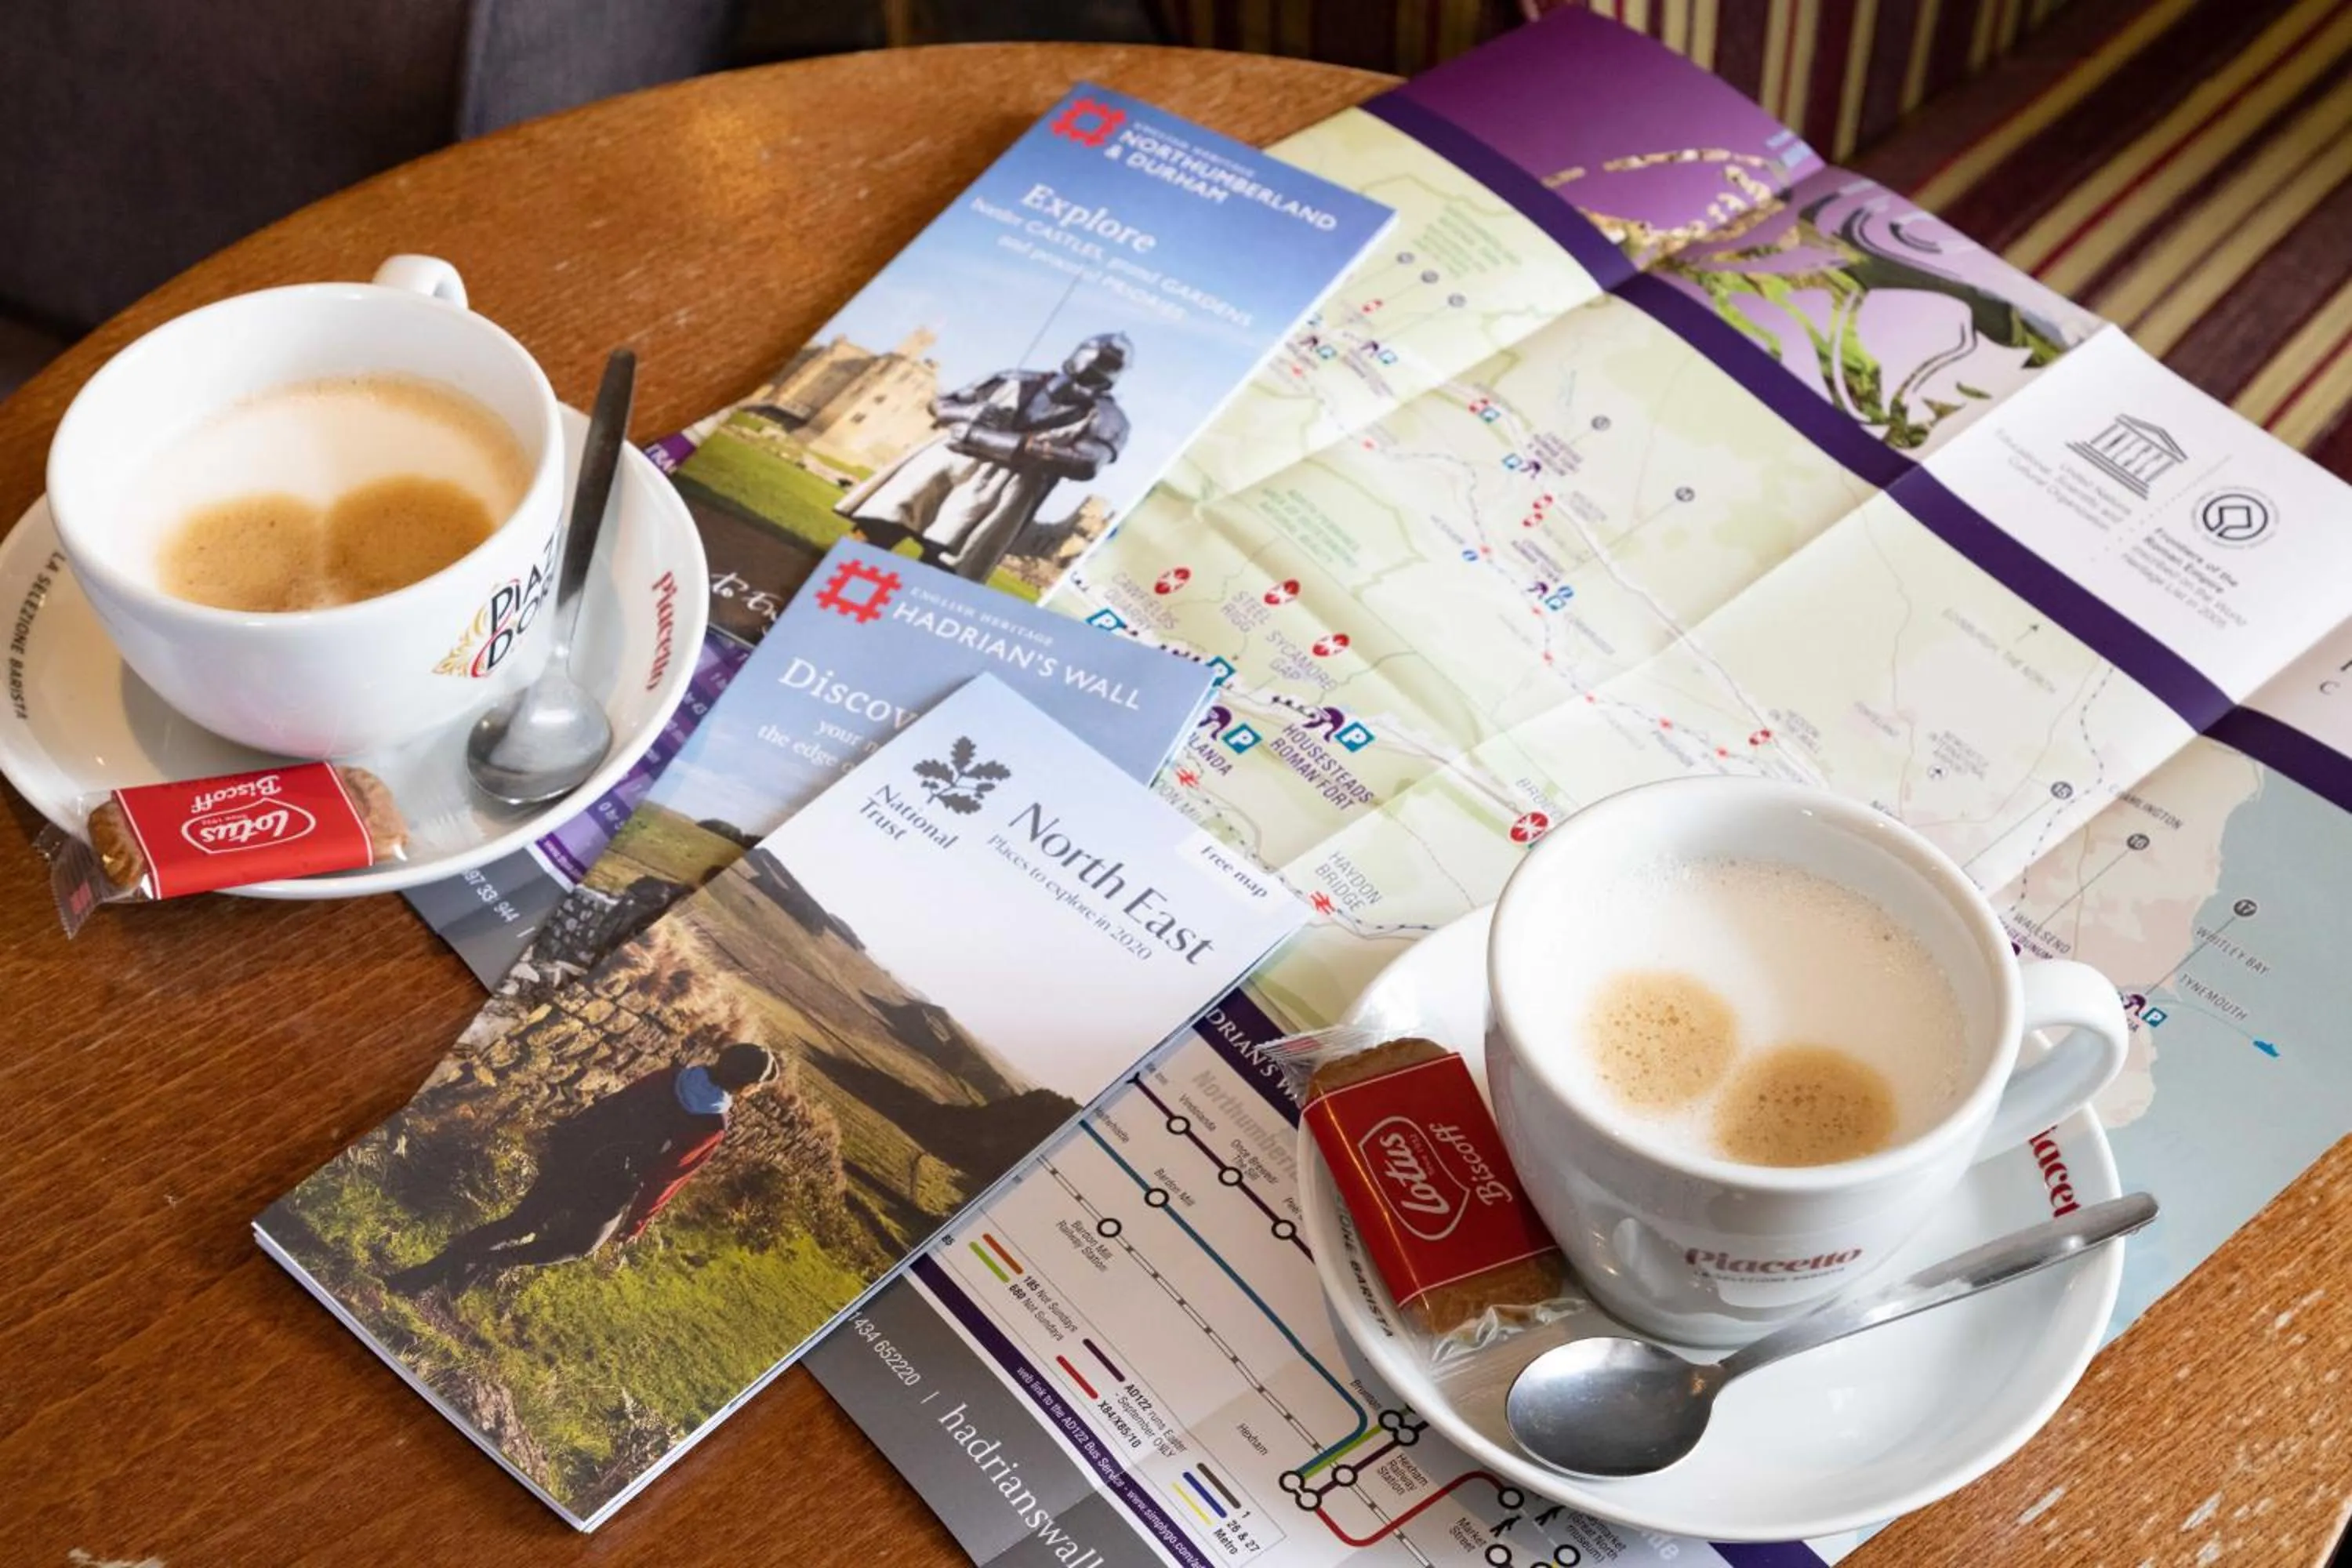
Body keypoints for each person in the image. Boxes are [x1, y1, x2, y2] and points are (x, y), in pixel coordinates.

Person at [387, 1041, 780, 1298]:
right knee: (577, 1247)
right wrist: (638, 1222)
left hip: (578, 1154)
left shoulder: (671, 1076)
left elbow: (614, 1103)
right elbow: (665, 1176)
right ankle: (480, 1263)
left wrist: (568, 1139)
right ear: (747, 1085)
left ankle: (424, 1275)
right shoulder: (712, 1125)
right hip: (610, 1186)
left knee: (519, 1222)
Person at [837, 331, 1133, 582]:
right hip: (946, 462)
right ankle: (823, 582)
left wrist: (983, 437)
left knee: (943, 567)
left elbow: (1085, 462)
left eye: (1106, 365)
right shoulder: (1012, 378)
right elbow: (941, 404)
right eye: (1095, 358)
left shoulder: (1108, 417)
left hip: (1005, 488)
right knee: (876, 529)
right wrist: (967, 412)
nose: (1092, 369)